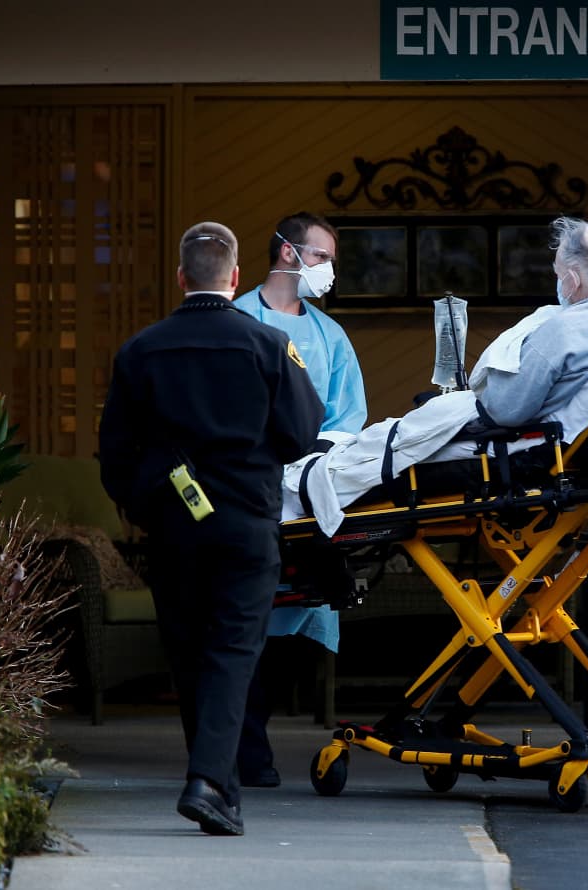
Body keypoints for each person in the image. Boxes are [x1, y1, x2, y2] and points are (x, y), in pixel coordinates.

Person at [99, 221, 324, 836]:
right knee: (231, 651)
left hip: (173, 528)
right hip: (247, 525)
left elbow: (114, 457)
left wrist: (150, 505)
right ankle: (209, 783)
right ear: (234, 278)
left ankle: (214, 783)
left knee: (188, 654)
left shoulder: (139, 351)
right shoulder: (268, 344)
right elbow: (304, 431)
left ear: (180, 278)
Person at [232, 212, 368, 788]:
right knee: (243, 615)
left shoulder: (330, 336)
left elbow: (350, 416)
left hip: (309, 490)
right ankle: (244, 744)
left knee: (302, 609)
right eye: (320, 257)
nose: (327, 271)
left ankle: (250, 731)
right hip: (243, 488)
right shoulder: (235, 321)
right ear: (287, 253)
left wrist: (312, 452)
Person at [476, 215, 588, 425]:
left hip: (539, 447)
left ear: (572, 280)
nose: (558, 282)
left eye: (558, 274)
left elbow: (504, 410)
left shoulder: (564, 330)